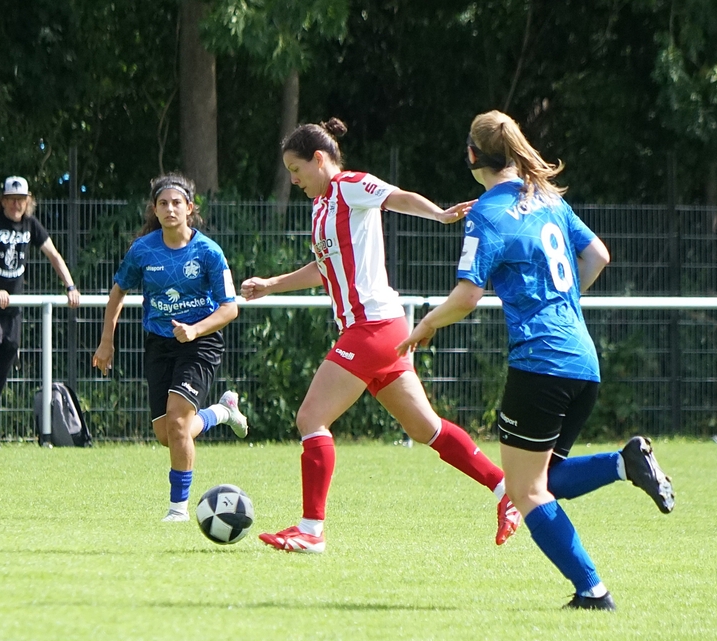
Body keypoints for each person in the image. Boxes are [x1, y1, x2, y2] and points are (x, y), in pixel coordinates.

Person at [397, 110, 675, 611]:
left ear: (472, 155)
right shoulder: (546, 198)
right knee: (544, 480)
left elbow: (466, 296)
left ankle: (593, 592)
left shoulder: (487, 212)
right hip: (582, 358)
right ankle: (624, 463)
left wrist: (426, 325)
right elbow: (598, 256)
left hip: (540, 362)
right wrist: (561, 304)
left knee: (524, 491)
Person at [240, 117, 521, 553]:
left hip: (371, 327)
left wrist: (438, 214)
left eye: (296, 170)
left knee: (310, 419)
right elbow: (326, 268)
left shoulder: (349, 186)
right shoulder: (321, 207)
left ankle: (311, 530)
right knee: (426, 428)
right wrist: (271, 284)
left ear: (320, 159)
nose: (293, 180)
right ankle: (507, 491)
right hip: (379, 328)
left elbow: (396, 196)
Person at [92, 173, 249, 521]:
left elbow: (230, 308)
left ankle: (178, 510)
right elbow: (118, 293)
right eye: (163, 203)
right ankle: (221, 413)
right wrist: (106, 342)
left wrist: (194, 330)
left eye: (177, 202)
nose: (170, 208)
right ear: (155, 209)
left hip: (201, 343)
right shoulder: (142, 250)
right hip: (159, 344)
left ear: (190, 208)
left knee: (178, 424)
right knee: (167, 434)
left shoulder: (208, 252)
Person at [0, 176, 81, 449]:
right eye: (11, 200)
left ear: (28, 202)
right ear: (3, 201)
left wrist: (70, 286)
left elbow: (53, 255)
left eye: (21, 200)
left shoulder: (31, 225)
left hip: (13, 308)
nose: (16, 205)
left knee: (6, 361)